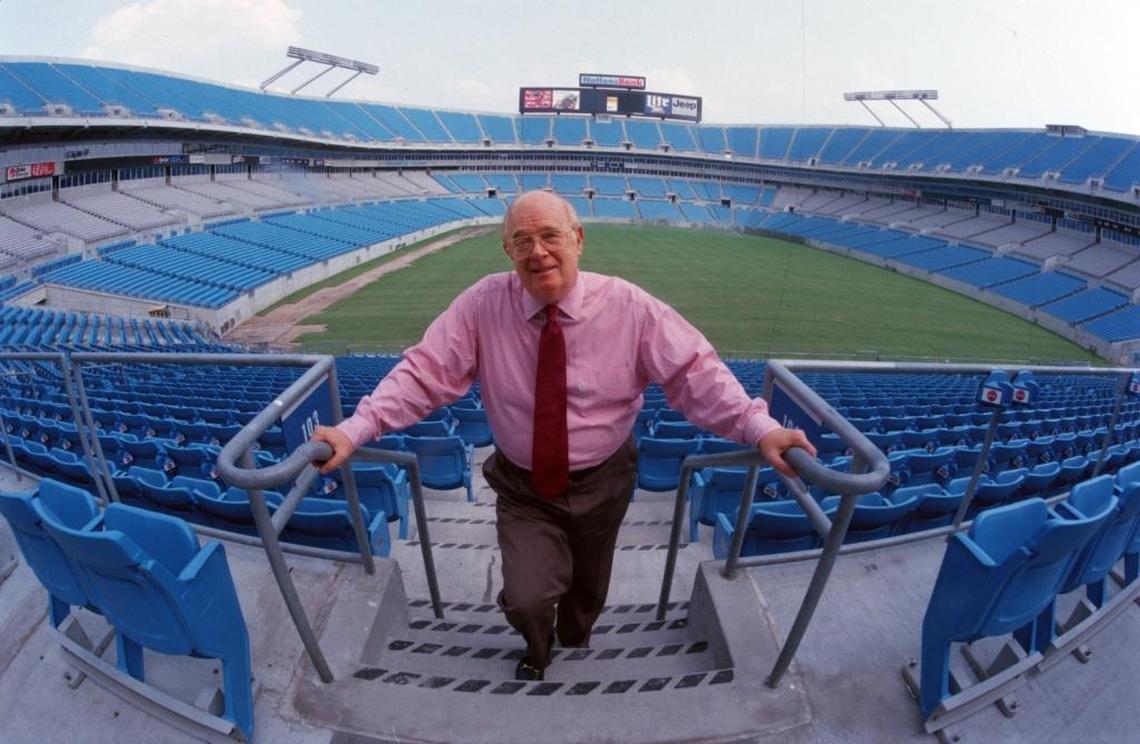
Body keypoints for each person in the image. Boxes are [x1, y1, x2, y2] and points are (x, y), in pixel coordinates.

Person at [312, 189, 815, 681]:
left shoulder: (630, 307)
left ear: (577, 238)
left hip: (605, 479)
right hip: (522, 485)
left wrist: (759, 428)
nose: (538, 252)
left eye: (550, 235)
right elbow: (424, 372)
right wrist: (357, 429)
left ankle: (576, 634)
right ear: (507, 250)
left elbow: (695, 374)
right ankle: (538, 647)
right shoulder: (483, 303)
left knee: (589, 588)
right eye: (522, 241)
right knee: (528, 595)